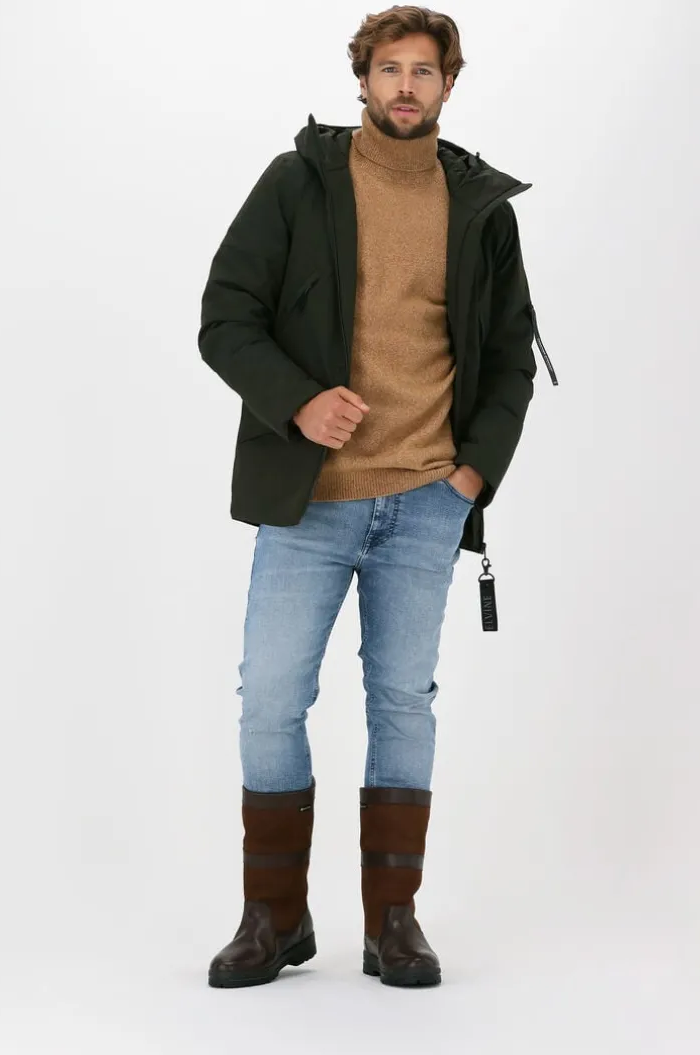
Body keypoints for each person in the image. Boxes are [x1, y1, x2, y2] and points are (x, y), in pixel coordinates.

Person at [197, 4, 558, 990]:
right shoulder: (299, 181)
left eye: (424, 70)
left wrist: (471, 474)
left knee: (403, 702)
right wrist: (298, 401)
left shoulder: (480, 207)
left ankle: (392, 919)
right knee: (271, 698)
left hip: (426, 500)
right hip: (310, 502)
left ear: (449, 85)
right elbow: (225, 316)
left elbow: (510, 360)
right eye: (390, 68)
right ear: (362, 79)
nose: (406, 85)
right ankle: (274, 916)